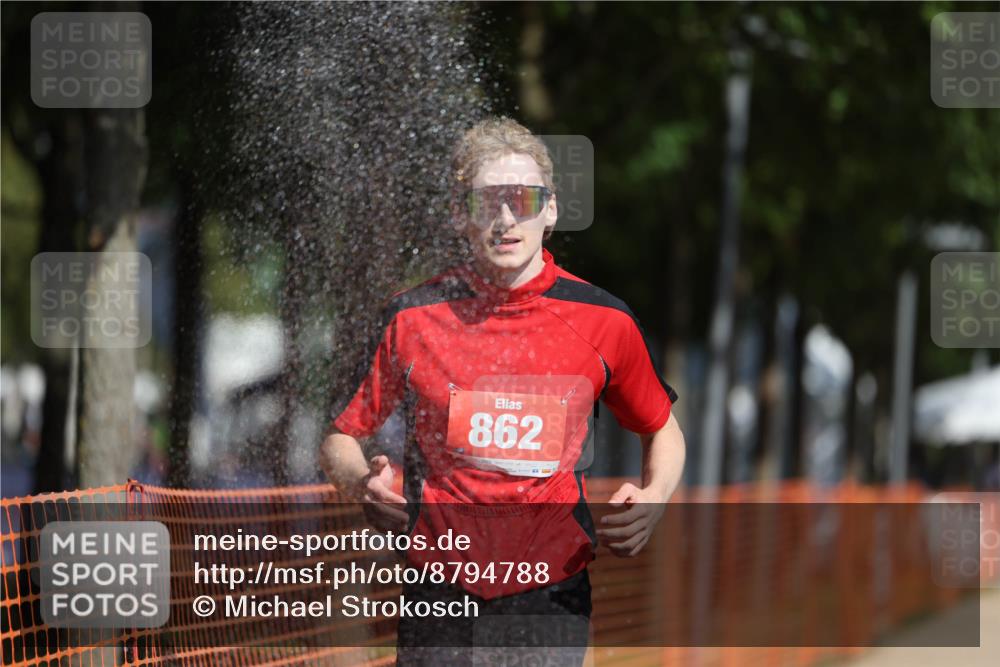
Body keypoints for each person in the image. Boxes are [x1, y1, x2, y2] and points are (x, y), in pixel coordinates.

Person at [320, 117, 686, 665]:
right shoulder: (411, 318)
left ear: (551, 210)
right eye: (488, 201)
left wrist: (654, 499)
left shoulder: (604, 320)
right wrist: (360, 484)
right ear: (459, 213)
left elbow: (661, 430)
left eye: (525, 199)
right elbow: (340, 437)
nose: (507, 218)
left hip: (550, 592)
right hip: (438, 588)